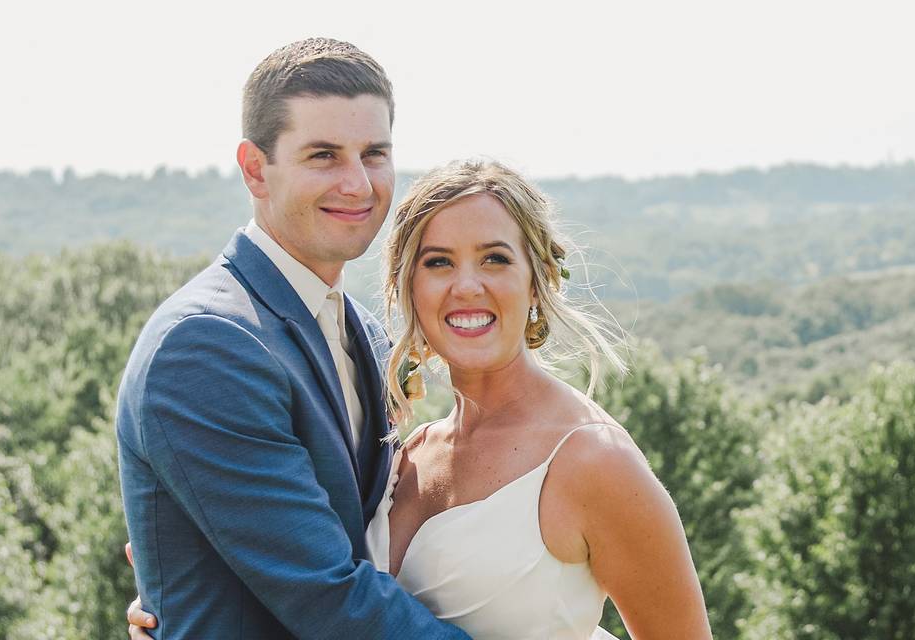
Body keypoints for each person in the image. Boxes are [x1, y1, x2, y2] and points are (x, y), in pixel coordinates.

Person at [128, 160, 714, 639]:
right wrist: (192, 610)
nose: (466, 285)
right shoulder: (404, 454)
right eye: (438, 263)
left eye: (495, 259)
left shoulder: (594, 461)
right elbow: (320, 595)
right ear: (408, 287)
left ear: (536, 282)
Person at [116, 38, 470, 639]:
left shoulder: (365, 331)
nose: (358, 184)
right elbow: (328, 594)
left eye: (374, 153)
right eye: (324, 156)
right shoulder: (206, 345)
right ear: (255, 169)